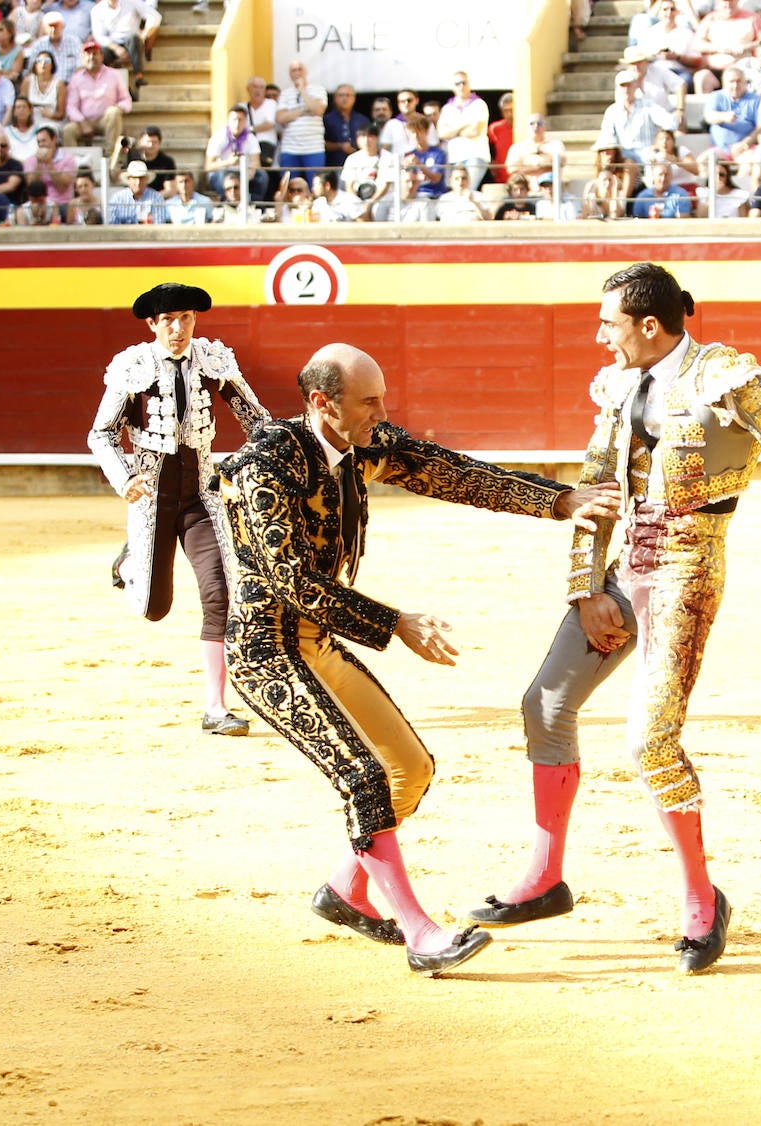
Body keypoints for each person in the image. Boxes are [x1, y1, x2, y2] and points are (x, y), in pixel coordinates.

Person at [467, 262, 761, 976]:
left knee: (650, 741)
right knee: (545, 706)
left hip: (688, 572)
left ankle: (702, 902)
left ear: (649, 325)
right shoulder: (616, 386)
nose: (598, 336)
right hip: (622, 574)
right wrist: (587, 589)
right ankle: (546, 878)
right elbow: (595, 492)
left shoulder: (729, 380)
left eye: (607, 323)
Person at [214, 342, 620, 975]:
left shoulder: (361, 442)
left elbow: (444, 469)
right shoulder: (267, 463)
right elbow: (291, 580)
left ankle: (345, 892)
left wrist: (558, 500)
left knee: (409, 769)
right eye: (369, 401)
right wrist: (394, 623)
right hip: (267, 650)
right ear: (323, 403)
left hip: (318, 643)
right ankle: (420, 934)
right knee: (366, 780)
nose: (383, 411)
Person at [88, 283, 269, 737]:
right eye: (169, 320)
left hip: (200, 497)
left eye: (186, 318)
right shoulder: (134, 368)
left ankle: (215, 707)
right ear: (152, 324)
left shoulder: (214, 360)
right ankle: (131, 558)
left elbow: (255, 419)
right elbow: (102, 434)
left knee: (221, 594)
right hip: (151, 498)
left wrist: (276, 455)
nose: (178, 328)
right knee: (153, 607)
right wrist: (124, 478)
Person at [62, 37, 129, 156]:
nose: (91, 57)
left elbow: (126, 100)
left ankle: (110, 158)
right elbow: (71, 107)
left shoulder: (114, 75)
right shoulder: (76, 78)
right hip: (84, 121)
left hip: (106, 120)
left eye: (95, 53)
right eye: (88, 54)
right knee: (67, 131)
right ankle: (74, 165)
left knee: (113, 112)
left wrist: (118, 108)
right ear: (82, 58)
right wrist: (82, 122)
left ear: (102, 56)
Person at [275, 57, 326, 179]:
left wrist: (302, 90)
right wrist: (304, 110)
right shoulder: (285, 93)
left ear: (306, 71)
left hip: (313, 148)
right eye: (293, 70)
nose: (297, 72)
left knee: (316, 185)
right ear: (290, 74)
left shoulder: (318, 90)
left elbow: (318, 110)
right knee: (289, 185)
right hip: (290, 148)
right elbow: (281, 118)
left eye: (300, 69)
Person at [437, 70, 489, 186]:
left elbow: (474, 131)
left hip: (475, 156)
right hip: (455, 157)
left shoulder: (479, 104)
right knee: (458, 193)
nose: (461, 86)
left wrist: (453, 131)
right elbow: (441, 133)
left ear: (469, 84)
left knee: (468, 190)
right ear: (453, 87)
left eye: (464, 83)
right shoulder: (447, 108)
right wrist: (463, 125)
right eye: (457, 84)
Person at [204, 102, 265, 200]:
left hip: (243, 172)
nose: (237, 124)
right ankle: (226, 204)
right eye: (234, 120)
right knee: (222, 177)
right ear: (228, 121)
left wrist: (250, 172)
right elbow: (208, 166)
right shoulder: (218, 137)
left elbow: (256, 163)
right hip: (224, 171)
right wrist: (228, 162)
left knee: (262, 176)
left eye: (240, 120)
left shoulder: (251, 138)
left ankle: (254, 205)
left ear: (245, 121)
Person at [106, 157, 165, 222]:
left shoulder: (156, 197)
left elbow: (158, 225)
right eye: (134, 178)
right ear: (128, 180)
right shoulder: (117, 199)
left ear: (146, 179)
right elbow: (112, 225)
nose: (138, 182)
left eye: (141, 178)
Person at [322, 83, 367, 169]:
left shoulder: (362, 120)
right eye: (341, 95)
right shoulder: (326, 119)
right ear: (335, 98)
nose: (344, 98)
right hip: (334, 166)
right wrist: (340, 146)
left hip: (359, 166)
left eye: (348, 95)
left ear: (354, 98)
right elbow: (320, 144)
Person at [487, 90, 513, 183]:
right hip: (500, 177)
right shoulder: (495, 128)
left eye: (512, 110)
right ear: (502, 112)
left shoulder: (526, 127)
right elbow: (485, 147)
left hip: (519, 178)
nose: (510, 114)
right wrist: (490, 162)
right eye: (506, 110)